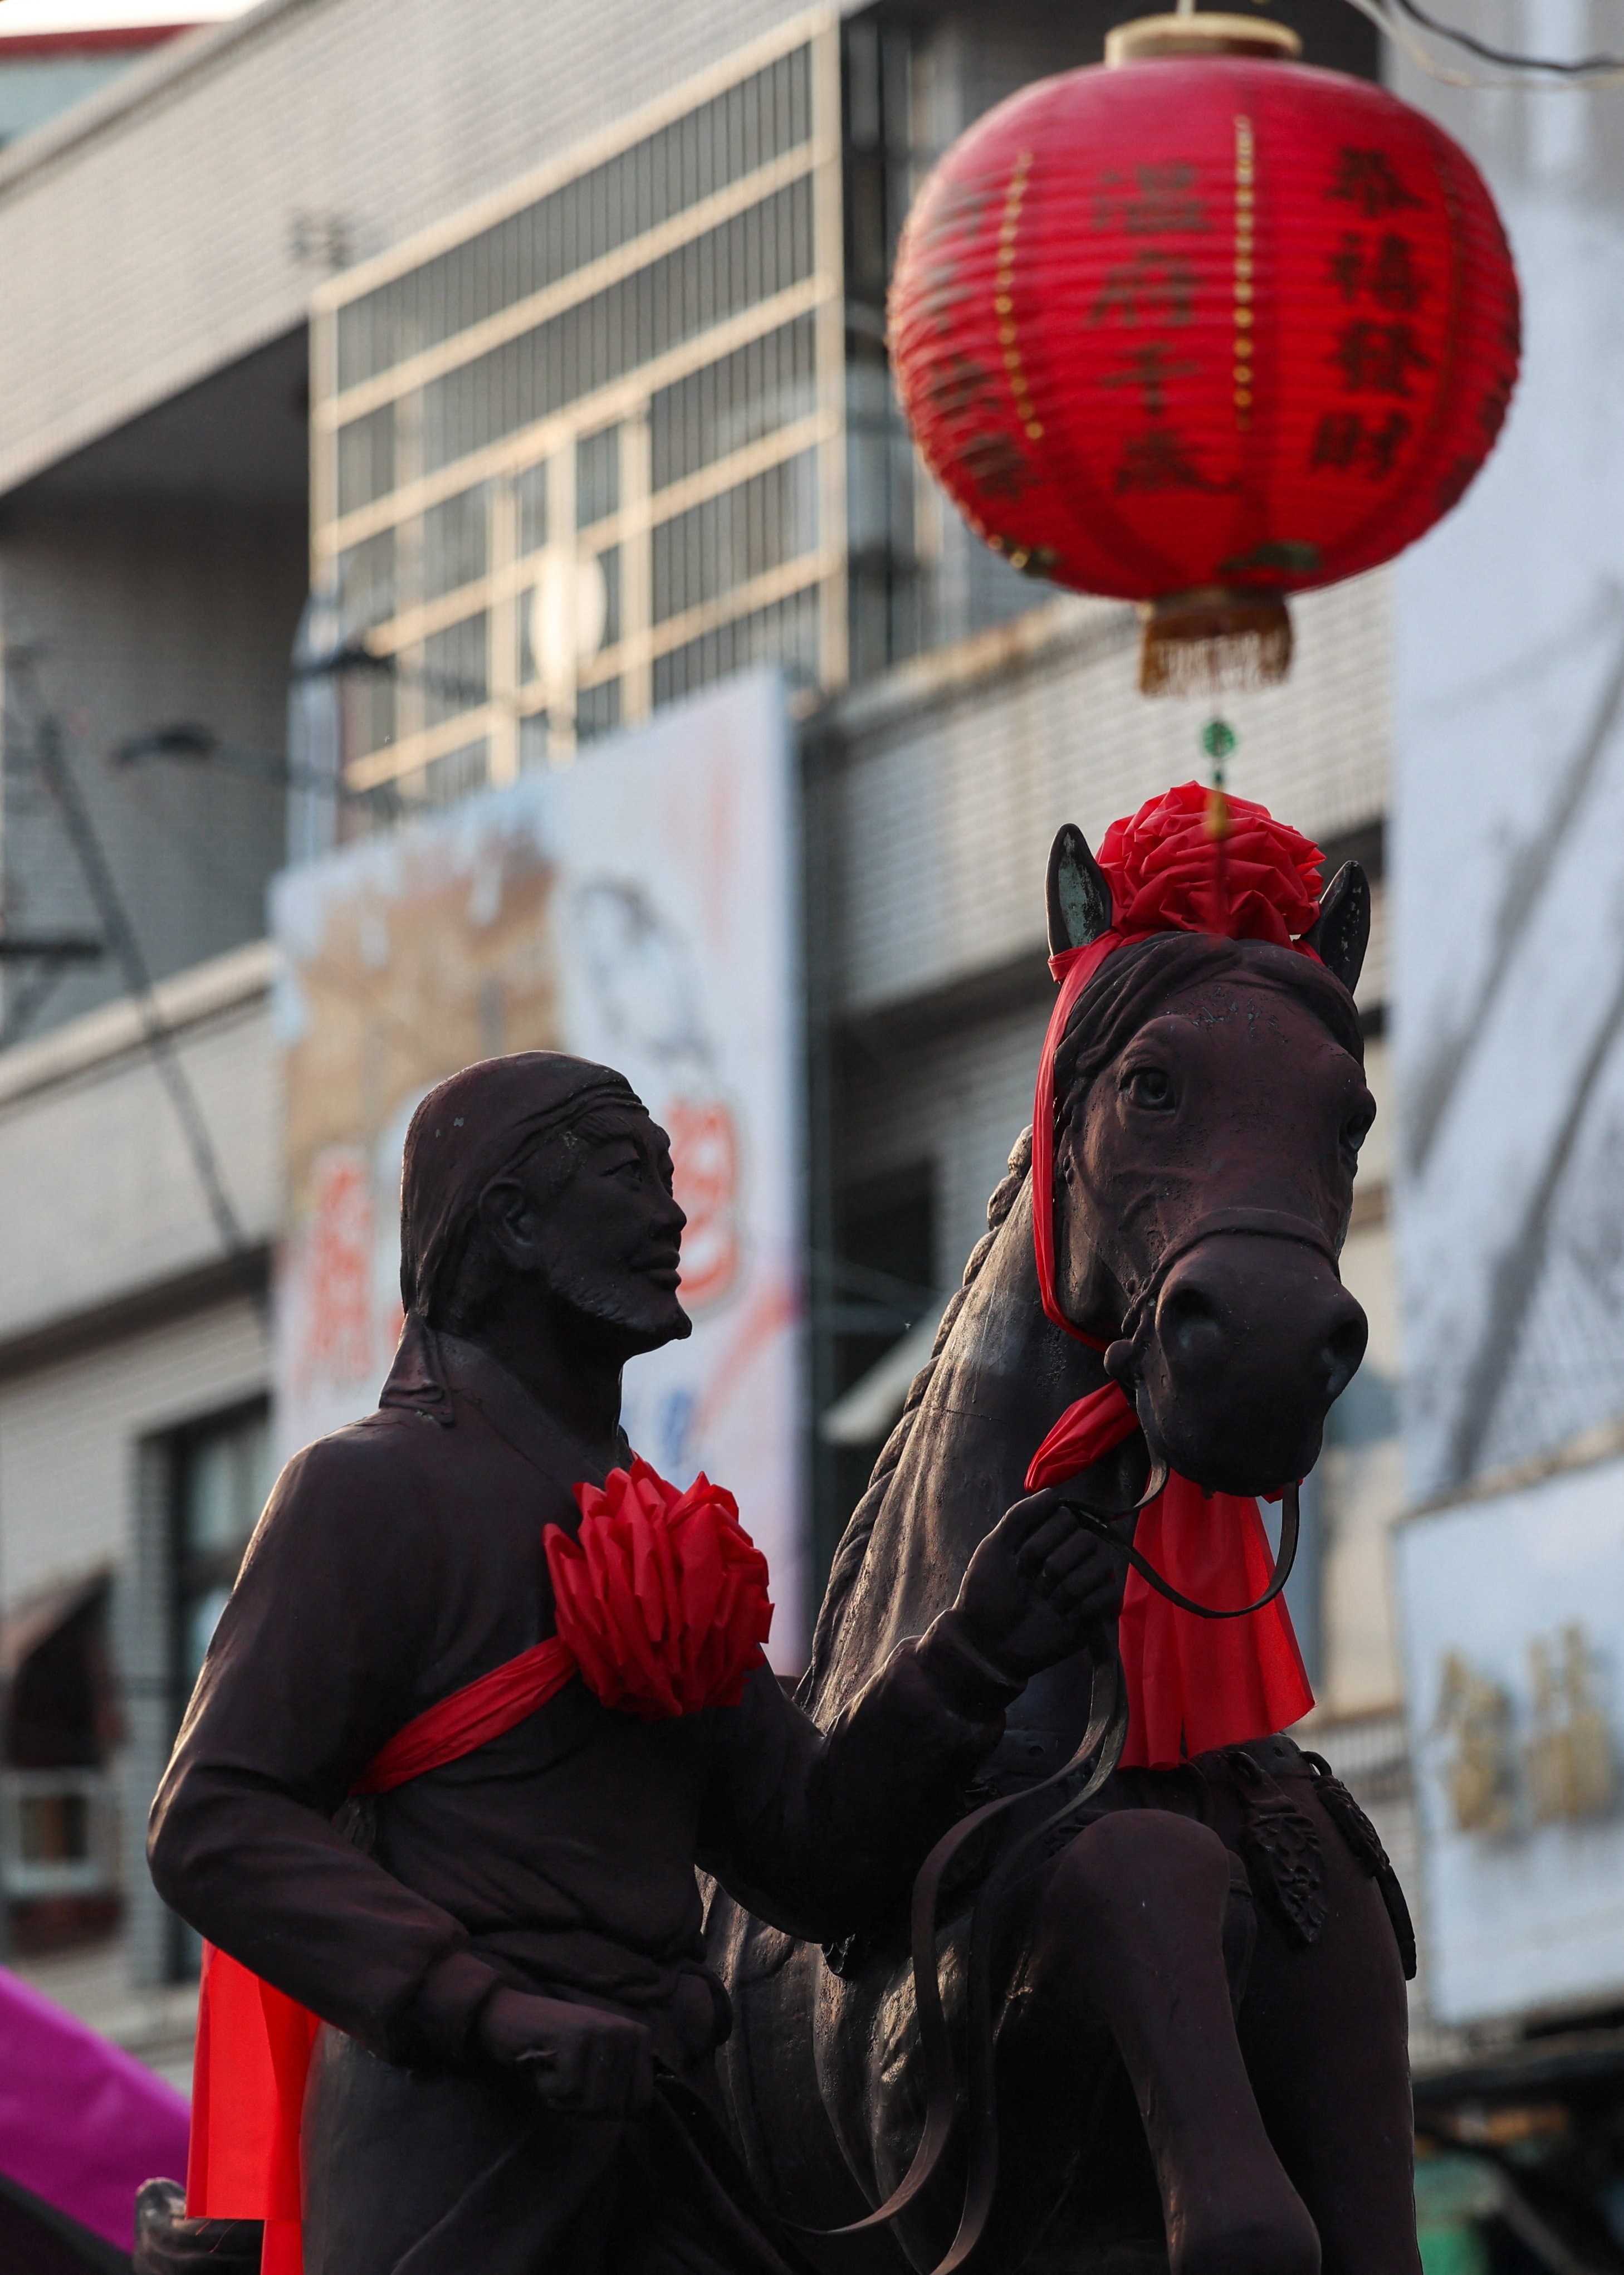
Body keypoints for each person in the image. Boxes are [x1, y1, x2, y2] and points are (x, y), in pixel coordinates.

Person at [148, 1052, 1125, 2275]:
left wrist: (974, 1652)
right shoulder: (364, 1493)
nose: (673, 1214)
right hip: (451, 2154)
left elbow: (812, 1859)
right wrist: (485, 2005)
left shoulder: (658, 1526)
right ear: (507, 1219)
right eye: (627, 1175)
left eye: (670, 1177)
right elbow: (213, 1820)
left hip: (667, 2143)